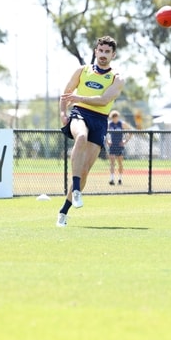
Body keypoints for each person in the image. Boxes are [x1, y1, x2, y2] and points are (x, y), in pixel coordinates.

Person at [56, 36, 126, 227]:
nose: (103, 55)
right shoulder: (82, 70)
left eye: (107, 52)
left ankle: (63, 211)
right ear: (95, 51)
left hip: (100, 121)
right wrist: (63, 113)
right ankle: (77, 189)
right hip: (79, 113)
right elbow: (66, 92)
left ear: (113, 54)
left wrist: (79, 96)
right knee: (81, 137)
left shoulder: (116, 78)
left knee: (85, 169)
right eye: (100, 51)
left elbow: (104, 100)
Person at [107, 110, 132, 185]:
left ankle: (120, 179)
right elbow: (104, 133)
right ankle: (112, 179)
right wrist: (107, 141)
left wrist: (125, 141)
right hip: (112, 145)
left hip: (119, 145)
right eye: (113, 117)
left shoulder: (121, 124)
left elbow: (130, 131)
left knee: (120, 163)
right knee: (112, 163)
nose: (115, 118)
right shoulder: (110, 124)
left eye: (116, 117)